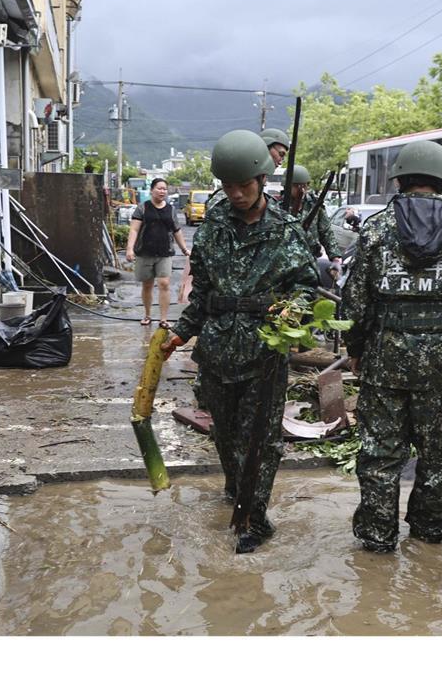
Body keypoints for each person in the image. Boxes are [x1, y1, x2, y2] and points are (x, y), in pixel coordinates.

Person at [163, 130, 318, 554]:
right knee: (226, 433)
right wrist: (180, 333)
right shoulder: (212, 227)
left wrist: (293, 313)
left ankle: (254, 517)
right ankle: (237, 487)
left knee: (262, 439)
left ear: (262, 180)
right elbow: (203, 292)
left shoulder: (286, 230)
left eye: (243, 186)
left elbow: (307, 287)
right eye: (227, 186)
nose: (235, 194)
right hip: (216, 349)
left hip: (265, 351)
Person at [341, 140, 442, 553]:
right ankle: (427, 536)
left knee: (380, 454)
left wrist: (355, 346)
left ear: (400, 179)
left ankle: (376, 539)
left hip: (384, 359)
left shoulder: (376, 228)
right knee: (438, 456)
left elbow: (355, 300)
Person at [126, 178, 190, 327]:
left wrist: (184, 249)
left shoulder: (171, 210)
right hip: (144, 252)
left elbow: (177, 231)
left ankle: (163, 319)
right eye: (159, 188)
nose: (162, 191)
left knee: (164, 283)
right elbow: (134, 229)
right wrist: (130, 249)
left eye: (164, 189)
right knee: (147, 285)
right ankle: (147, 315)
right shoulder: (143, 208)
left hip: (165, 253)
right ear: (152, 190)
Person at [287, 164, 343, 287]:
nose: (301, 189)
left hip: (310, 261)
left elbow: (326, 232)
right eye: (296, 186)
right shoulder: (278, 207)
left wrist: (335, 257)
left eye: (305, 185)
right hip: (285, 264)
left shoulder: (314, 205)